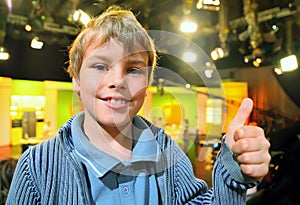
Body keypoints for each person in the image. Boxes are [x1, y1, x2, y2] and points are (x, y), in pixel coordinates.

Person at [6, 6, 271, 205]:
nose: (117, 80)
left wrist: (233, 171)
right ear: (76, 79)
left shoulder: (167, 152)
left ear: (148, 83)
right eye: (100, 66)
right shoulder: (38, 167)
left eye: (133, 69)